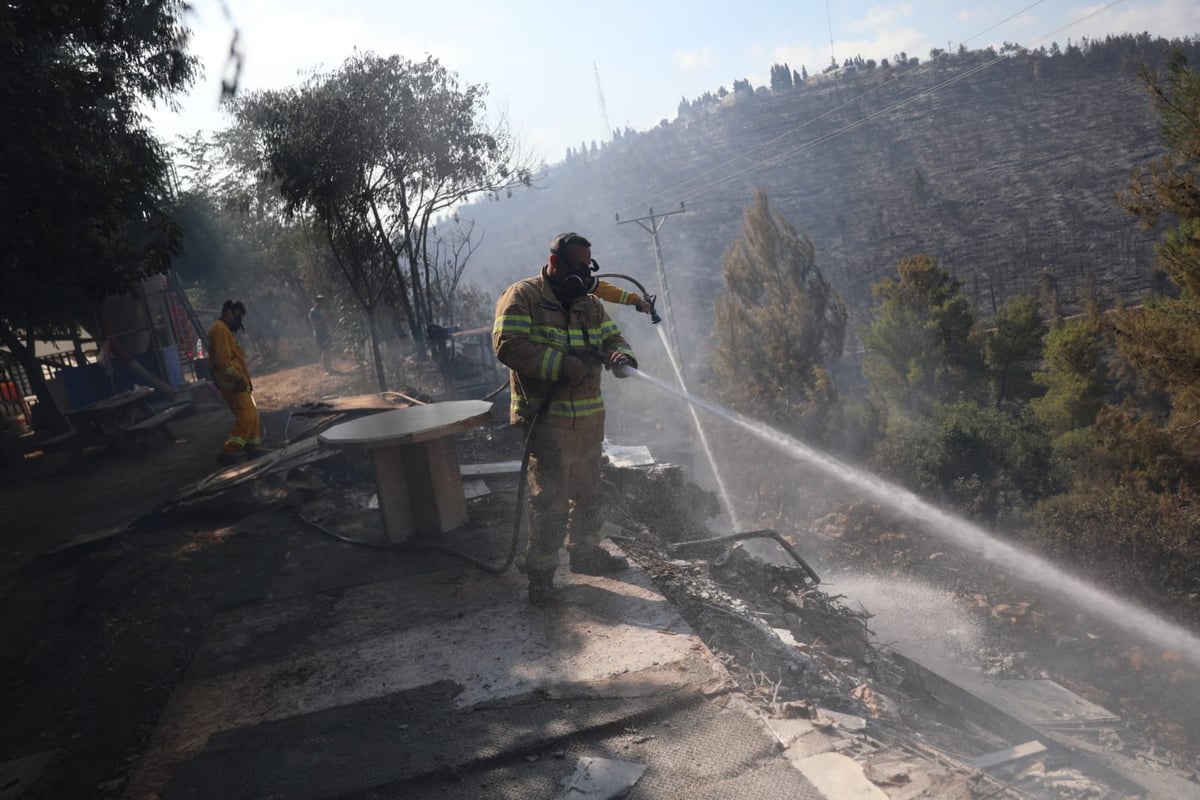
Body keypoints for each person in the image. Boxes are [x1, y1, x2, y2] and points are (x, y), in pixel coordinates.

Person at [493, 232, 637, 606]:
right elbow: (508, 345)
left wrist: (622, 356)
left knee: (590, 490)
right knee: (551, 500)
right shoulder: (523, 297)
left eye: (588, 267)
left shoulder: (588, 304)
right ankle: (541, 576)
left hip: (588, 419)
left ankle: (587, 554)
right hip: (545, 419)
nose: (583, 275)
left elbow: (613, 337)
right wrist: (562, 365)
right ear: (555, 263)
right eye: (576, 267)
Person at [208, 300, 263, 466]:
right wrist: (236, 378)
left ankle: (253, 448)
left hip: (239, 382)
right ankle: (228, 453)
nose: (239, 319)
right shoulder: (219, 330)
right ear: (228, 312)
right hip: (232, 384)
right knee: (245, 416)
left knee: (252, 415)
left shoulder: (226, 331)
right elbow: (222, 361)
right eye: (237, 314)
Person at [309, 295, 336, 374]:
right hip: (319, 334)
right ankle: (327, 370)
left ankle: (330, 368)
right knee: (324, 351)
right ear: (317, 302)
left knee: (328, 351)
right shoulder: (312, 312)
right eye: (321, 302)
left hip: (325, 333)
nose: (323, 304)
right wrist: (326, 317)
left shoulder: (321, 310)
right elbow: (315, 323)